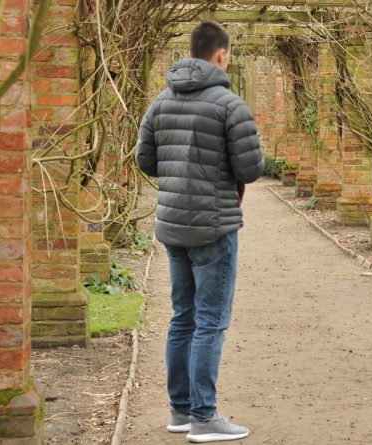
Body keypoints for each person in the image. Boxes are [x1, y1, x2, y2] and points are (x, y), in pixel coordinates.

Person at [135, 21, 264, 442]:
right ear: (222, 54)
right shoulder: (230, 105)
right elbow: (250, 169)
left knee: (183, 318)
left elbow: (146, 161)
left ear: (191, 52)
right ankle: (204, 417)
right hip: (213, 226)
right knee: (211, 321)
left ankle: (180, 410)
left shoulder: (159, 102)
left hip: (173, 226)